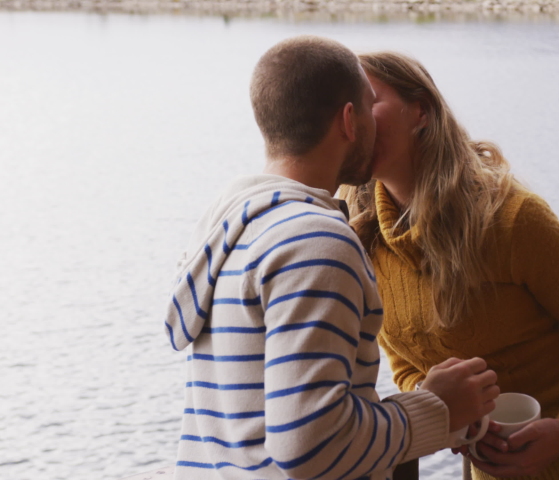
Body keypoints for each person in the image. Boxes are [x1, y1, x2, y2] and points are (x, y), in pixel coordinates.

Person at [163, 36, 499, 480]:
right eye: (369, 108)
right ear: (348, 120)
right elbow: (311, 446)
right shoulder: (316, 243)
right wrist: (438, 408)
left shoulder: (231, 222)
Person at [339, 51, 559, 480]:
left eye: (370, 101)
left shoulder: (510, 219)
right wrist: (442, 411)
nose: (358, 121)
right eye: (348, 109)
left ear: (421, 111)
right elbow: (407, 366)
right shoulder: (359, 241)